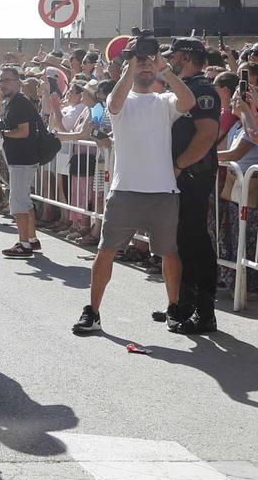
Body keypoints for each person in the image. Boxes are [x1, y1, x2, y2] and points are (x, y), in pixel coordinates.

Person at [71, 38, 195, 337]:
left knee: (169, 253)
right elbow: (113, 102)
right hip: (126, 190)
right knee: (106, 251)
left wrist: (164, 69)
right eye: (141, 62)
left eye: (148, 61)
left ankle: (174, 308)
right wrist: (130, 66)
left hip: (163, 191)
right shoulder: (121, 102)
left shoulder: (164, 101)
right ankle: (94, 312)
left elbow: (188, 102)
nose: (145, 65)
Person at [162, 38, 223, 334]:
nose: (168, 60)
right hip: (178, 175)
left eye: (172, 56)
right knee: (180, 241)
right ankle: (184, 304)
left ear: (185, 57)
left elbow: (206, 136)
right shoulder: (179, 89)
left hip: (193, 175)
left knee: (196, 241)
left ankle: (205, 311)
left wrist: (178, 166)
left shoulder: (203, 90)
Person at [0, 67, 44, 258]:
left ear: (17, 82)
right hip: (20, 159)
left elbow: (23, 132)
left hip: (23, 159)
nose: (3, 84)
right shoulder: (10, 102)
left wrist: (2, 133)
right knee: (24, 200)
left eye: (7, 80)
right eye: (1, 80)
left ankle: (24, 244)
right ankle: (31, 239)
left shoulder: (20, 103)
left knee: (17, 202)